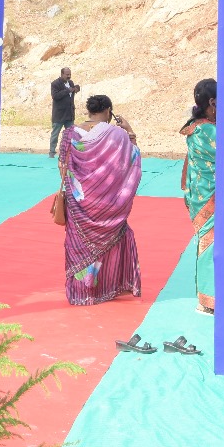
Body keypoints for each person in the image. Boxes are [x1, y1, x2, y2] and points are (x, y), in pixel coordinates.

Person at [58, 94, 142, 306]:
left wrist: (78, 189)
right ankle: (108, 287)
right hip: (110, 204)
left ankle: (81, 293)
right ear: (108, 111)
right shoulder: (117, 134)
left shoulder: (70, 133)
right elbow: (131, 158)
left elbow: (62, 166)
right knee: (117, 238)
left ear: (89, 111)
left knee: (79, 246)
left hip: (78, 204)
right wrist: (129, 131)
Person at [180, 79, 218, 314]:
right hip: (210, 197)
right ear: (212, 103)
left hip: (199, 193)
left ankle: (209, 297)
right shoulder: (208, 131)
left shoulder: (195, 126)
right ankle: (207, 300)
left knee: (209, 243)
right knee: (210, 244)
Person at [49, 67, 80, 158]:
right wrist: (67, 90)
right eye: (67, 74)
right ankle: (52, 152)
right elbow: (55, 96)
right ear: (62, 74)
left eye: (70, 74)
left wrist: (76, 88)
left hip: (69, 113)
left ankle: (75, 152)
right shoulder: (55, 83)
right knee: (55, 134)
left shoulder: (71, 82)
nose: (69, 76)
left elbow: (72, 92)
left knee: (72, 134)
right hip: (59, 114)